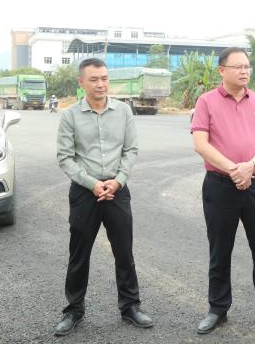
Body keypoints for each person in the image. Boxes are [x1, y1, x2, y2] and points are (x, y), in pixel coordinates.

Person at [191, 47, 255, 335]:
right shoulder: (206, 101)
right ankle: (217, 309)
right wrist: (235, 170)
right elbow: (201, 144)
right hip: (220, 186)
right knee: (219, 250)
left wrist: (251, 165)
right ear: (222, 70)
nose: (244, 71)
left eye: (247, 66)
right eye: (238, 66)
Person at [53, 58, 153, 336]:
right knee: (79, 253)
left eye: (105, 78)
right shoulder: (70, 115)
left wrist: (118, 181)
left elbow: (131, 150)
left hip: (117, 191)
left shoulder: (123, 111)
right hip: (85, 192)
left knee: (124, 251)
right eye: (94, 79)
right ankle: (74, 310)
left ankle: (130, 306)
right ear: (81, 82)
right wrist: (92, 184)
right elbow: (65, 157)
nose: (100, 84)